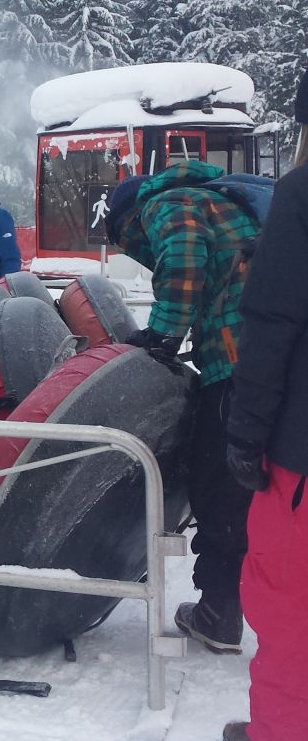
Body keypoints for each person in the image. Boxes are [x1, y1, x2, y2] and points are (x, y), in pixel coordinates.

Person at [105, 160, 261, 657]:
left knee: (219, 485)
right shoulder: (226, 201)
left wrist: (164, 333)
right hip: (278, 357)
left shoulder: (165, 203)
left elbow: (185, 254)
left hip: (240, 363)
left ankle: (219, 610)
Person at [222, 89, 308, 741]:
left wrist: (245, 437)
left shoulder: (301, 197)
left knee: (290, 615)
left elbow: (271, 326)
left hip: (300, 457)